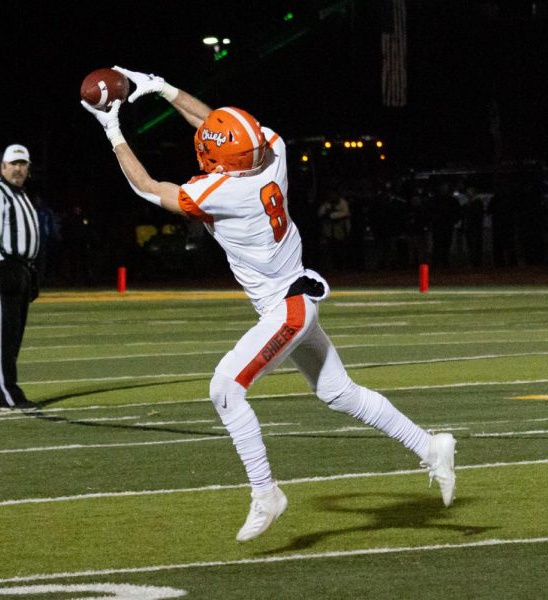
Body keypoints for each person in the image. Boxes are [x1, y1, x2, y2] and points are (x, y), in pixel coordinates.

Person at [81, 67, 457, 542]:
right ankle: (430, 445)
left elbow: (148, 186)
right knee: (339, 393)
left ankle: (266, 491)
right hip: (294, 296)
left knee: (225, 389)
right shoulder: (272, 153)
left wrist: (111, 128)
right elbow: (215, 126)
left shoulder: (222, 192)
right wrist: (160, 87)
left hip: (287, 309)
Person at [0, 144, 41, 412]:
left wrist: (31, 271)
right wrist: (2, 266)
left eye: (22, 164)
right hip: (1, 264)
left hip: (21, 266)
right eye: (13, 164)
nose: (18, 169)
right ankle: (7, 395)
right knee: (2, 334)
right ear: (2, 167)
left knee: (13, 334)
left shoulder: (20, 194)